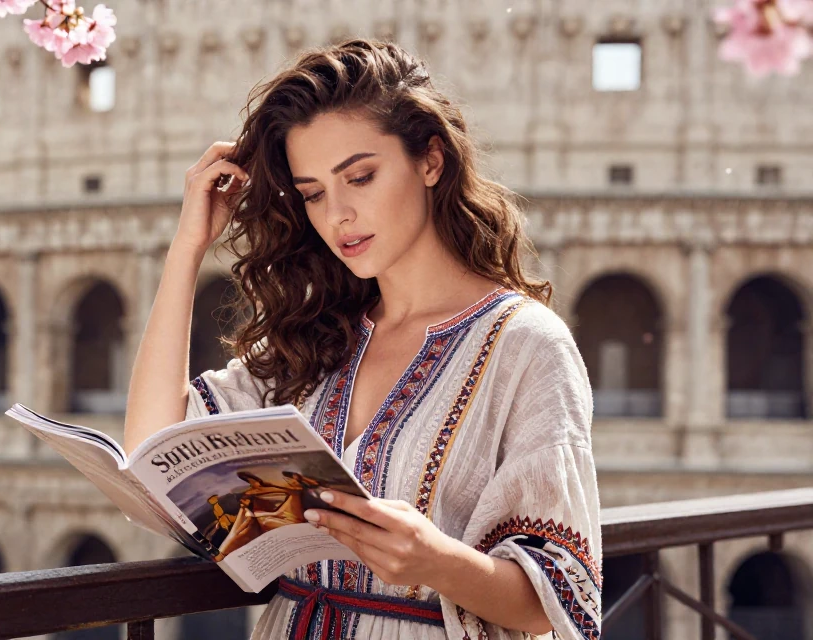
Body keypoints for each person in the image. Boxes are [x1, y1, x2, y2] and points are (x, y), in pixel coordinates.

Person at [124, 39, 600, 640]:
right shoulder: (322, 334)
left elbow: (560, 600)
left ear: (431, 161)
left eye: (361, 176)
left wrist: (436, 561)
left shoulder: (528, 344)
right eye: (314, 193)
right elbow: (150, 450)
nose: (338, 214)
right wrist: (187, 249)